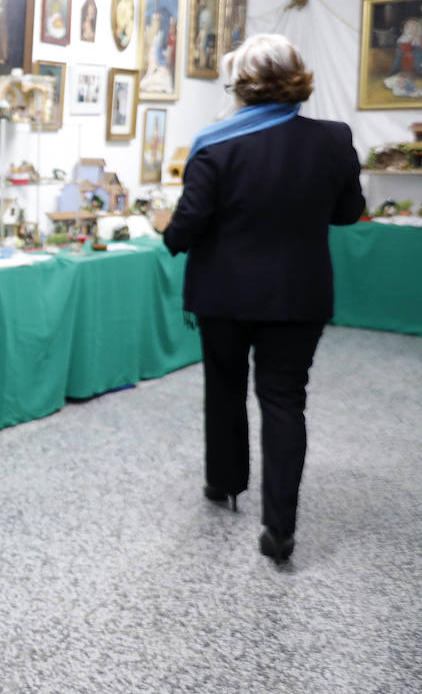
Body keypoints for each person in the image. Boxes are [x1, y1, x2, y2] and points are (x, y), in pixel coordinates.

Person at [163, 34, 364, 564]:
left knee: (225, 388)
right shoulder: (334, 138)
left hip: (222, 294)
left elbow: (190, 222)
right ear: (297, 77)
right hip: (300, 294)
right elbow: (347, 212)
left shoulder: (215, 142)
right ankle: (280, 527)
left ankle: (225, 484)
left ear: (241, 84)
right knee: (284, 401)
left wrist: (171, 236)